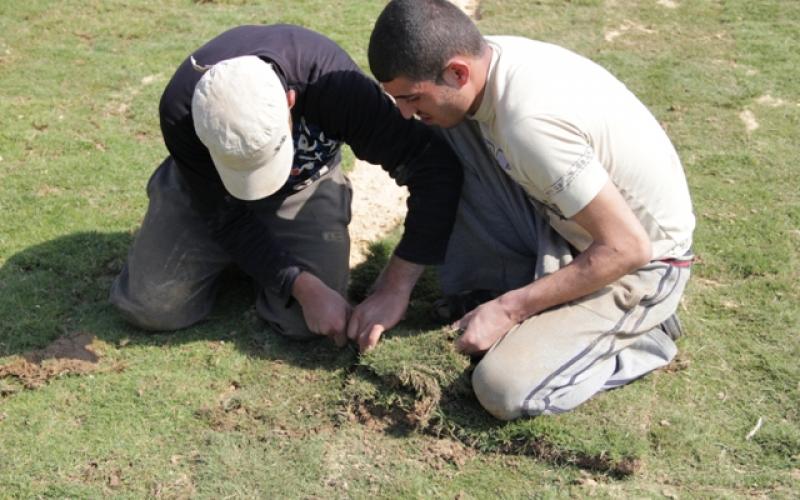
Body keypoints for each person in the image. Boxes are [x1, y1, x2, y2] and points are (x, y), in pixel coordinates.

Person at [368, 0, 695, 419]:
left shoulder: (529, 123)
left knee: (501, 387)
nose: (405, 111)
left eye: (412, 97)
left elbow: (627, 247)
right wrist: (396, 284)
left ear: (457, 72)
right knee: (442, 138)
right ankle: (518, 291)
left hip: (644, 262)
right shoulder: (487, 63)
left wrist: (510, 309)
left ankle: (642, 334)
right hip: (574, 224)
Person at [110, 24, 462, 350]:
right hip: (209, 192)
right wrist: (300, 285)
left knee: (310, 324)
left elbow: (432, 167)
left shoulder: (334, 85)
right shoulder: (180, 107)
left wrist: (394, 287)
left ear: (289, 100)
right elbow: (225, 217)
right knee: (151, 307)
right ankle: (235, 253)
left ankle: (249, 261)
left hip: (304, 183)